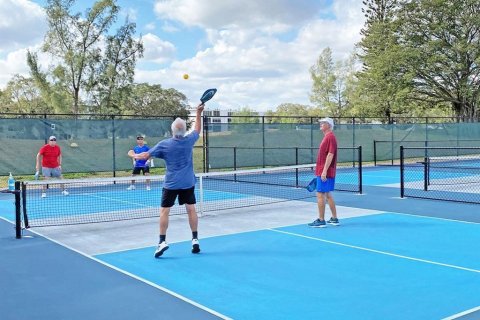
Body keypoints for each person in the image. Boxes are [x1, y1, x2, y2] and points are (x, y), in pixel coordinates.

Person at [134, 103, 204, 258]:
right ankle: (195, 239)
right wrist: (198, 112)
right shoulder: (189, 140)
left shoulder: (164, 145)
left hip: (171, 184)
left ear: (172, 130)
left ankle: (162, 242)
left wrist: (132, 155)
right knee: (191, 209)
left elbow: (145, 156)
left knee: (164, 211)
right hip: (187, 183)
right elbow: (198, 129)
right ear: (184, 130)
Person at [308, 117, 339, 228]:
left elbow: (330, 154)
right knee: (327, 195)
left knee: (320, 194)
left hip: (324, 171)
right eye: (320, 122)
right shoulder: (328, 137)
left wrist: (324, 171)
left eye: (323, 123)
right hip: (324, 171)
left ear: (329, 125)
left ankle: (321, 220)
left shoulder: (330, 137)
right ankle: (334, 218)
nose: (320, 124)